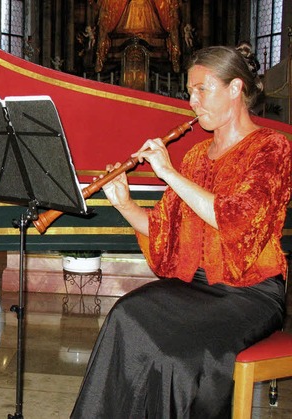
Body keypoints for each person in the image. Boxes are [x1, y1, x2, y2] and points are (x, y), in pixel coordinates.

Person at [71, 45, 290, 418]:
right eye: (189, 91)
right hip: (198, 286)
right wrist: (124, 203)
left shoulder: (271, 148)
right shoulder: (195, 156)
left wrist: (168, 173)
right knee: (126, 315)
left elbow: (235, 219)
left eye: (202, 89)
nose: (192, 101)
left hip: (250, 293)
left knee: (176, 357)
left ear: (236, 88)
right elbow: (164, 232)